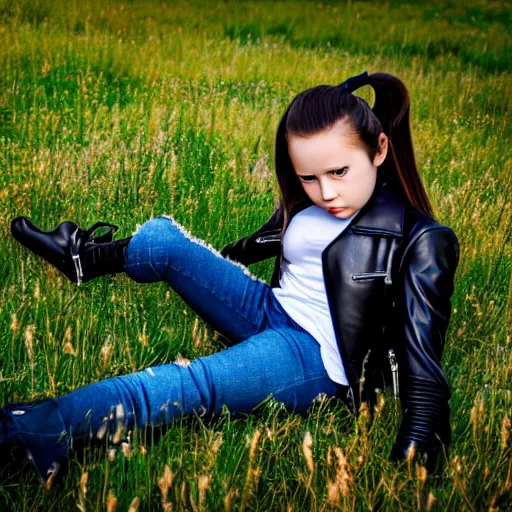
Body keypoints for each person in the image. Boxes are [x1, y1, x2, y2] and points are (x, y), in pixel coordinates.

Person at [3, 70, 459, 486]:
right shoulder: (312, 204)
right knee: (163, 239)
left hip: (316, 355)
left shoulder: (421, 239)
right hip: (271, 309)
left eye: (339, 172)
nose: (327, 192)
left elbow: (424, 351)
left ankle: (45, 423)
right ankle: (82, 258)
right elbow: (257, 248)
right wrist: (204, 271)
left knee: (190, 383)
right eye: (309, 178)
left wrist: (421, 435)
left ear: (379, 150)